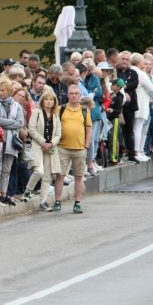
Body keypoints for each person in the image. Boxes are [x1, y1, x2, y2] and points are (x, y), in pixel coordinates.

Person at [53, 85, 92, 213]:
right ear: (68, 95)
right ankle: (57, 201)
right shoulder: (61, 109)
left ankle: (77, 202)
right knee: (60, 175)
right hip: (62, 147)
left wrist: (86, 146)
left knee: (79, 176)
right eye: (71, 93)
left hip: (79, 148)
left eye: (76, 93)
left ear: (80, 96)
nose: (74, 96)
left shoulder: (85, 111)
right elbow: (54, 126)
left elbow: (88, 128)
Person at [24, 91, 62, 211]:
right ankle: (28, 190)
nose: (49, 102)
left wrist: (50, 144)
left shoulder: (56, 116)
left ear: (54, 102)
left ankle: (43, 201)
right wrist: (43, 142)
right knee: (39, 171)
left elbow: (58, 134)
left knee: (47, 176)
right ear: (42, 101)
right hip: (38, 145)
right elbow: (31, 128)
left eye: (51, 100)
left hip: (50, 148)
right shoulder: (37, 113)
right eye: (46, 99)